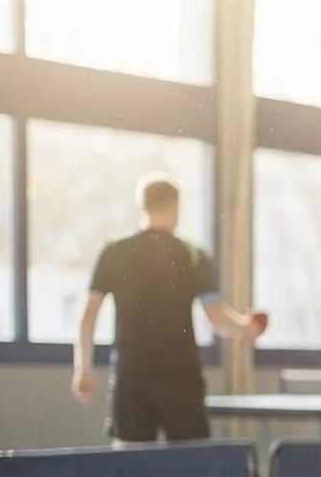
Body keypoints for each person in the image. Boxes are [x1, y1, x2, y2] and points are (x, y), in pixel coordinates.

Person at [71, 176, 264, 445]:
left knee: (130, 462)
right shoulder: (193, 255)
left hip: (132, 373)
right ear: (176, 207)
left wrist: (83, 369)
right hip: (180, 373)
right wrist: (246, 327)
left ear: (141, 207)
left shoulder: (114, 253)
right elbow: (216, 317)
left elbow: (87, 316)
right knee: (190, 461)